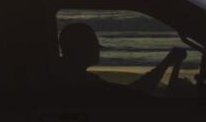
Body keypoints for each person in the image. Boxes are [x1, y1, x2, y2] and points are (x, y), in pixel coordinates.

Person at [58, 22, 186, 93]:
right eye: (92, 44)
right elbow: (134, 94)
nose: (98, 48)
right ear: (78, 48)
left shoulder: (67, 76)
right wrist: (166, 63)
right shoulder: (84, 84)